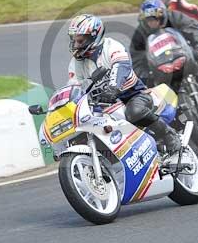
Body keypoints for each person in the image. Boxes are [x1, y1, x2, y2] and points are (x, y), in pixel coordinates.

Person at [67, 13, 180, 154]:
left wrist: (113, 88)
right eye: (74, 40)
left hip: (132, 95)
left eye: (80, 40)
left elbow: (121, 65)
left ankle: (168, 134)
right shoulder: (75, 63)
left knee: (135, 112)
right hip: (101, 105)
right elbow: (73, 86)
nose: (76, 45)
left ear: (94, 36)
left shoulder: (111, 46)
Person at [130, 0, 198, 112]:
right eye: (149, 19)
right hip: (161, 66)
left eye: (155, 18)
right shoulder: (139, 34)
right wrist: (146, 74)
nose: (152, 22)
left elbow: (193, 28)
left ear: (163, 16)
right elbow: (136, 59)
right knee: (155, 90)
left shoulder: (175, 17)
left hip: (184, 53)